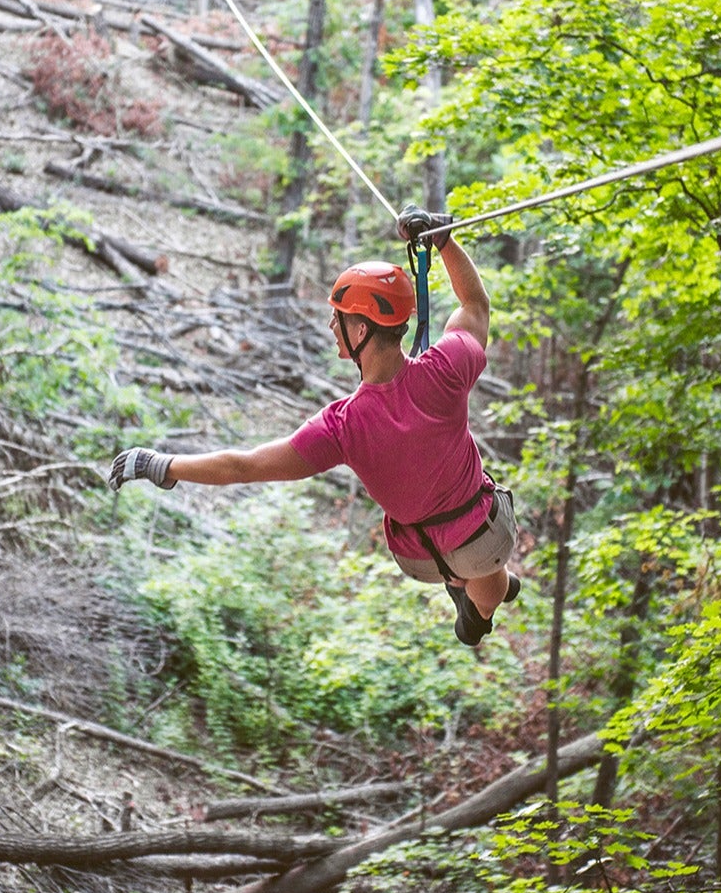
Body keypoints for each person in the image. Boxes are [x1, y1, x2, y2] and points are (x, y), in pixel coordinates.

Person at [109, 209, 521, 647]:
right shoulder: (447, 367)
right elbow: (475, 305)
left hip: (416, 556)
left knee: (473, 562)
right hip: (482, 537)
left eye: (338, 317)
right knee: (486, 563)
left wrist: (163, 465)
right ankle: (478, 603)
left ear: (361, 329)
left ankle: (466, 585)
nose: (331, 326)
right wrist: (444, 241)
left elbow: (244, 467)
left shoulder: (342, 427)